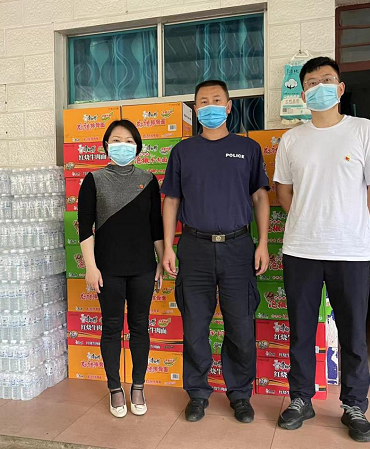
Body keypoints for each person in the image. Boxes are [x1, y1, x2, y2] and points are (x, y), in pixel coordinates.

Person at [274, 57, 370, 443]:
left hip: (351, 252)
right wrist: (307, 220)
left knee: (354, 333)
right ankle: (300, 399)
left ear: (340, 88)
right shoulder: (292, 139)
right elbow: (283, 191)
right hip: (301, 250)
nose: (319, 86)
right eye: (311, 82)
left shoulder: (363, 130)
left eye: (327, 80)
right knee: (301, 330)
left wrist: (351, 224)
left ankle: (354, 405)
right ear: (302, 94)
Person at [161, 80, 270, 424]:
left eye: (217, 100)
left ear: (228, 106)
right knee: (195, 326)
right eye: (203, 102)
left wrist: (263, 242)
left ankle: (240, 394)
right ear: (195, 109)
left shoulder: (247, 148)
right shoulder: (183, 151)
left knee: (240, 326)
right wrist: (168, 247)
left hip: (239, 247)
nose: (210, 106)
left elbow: (260, 197)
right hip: (194, 248)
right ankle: (197, 393)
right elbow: (171, 200)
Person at [78, 119, 164, 418]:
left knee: (140, 326)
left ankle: (138, 386)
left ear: (137, 146)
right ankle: (115, 388)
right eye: (116, 140)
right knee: (112, 327)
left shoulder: (149, 180)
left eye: (129, 141)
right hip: (108, 269)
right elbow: (85, 228)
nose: (122, 145)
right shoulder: (93, 179)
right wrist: (90, 267)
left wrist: (161, 261)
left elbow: (156, 226)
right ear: (105, 145)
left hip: (143, 268)